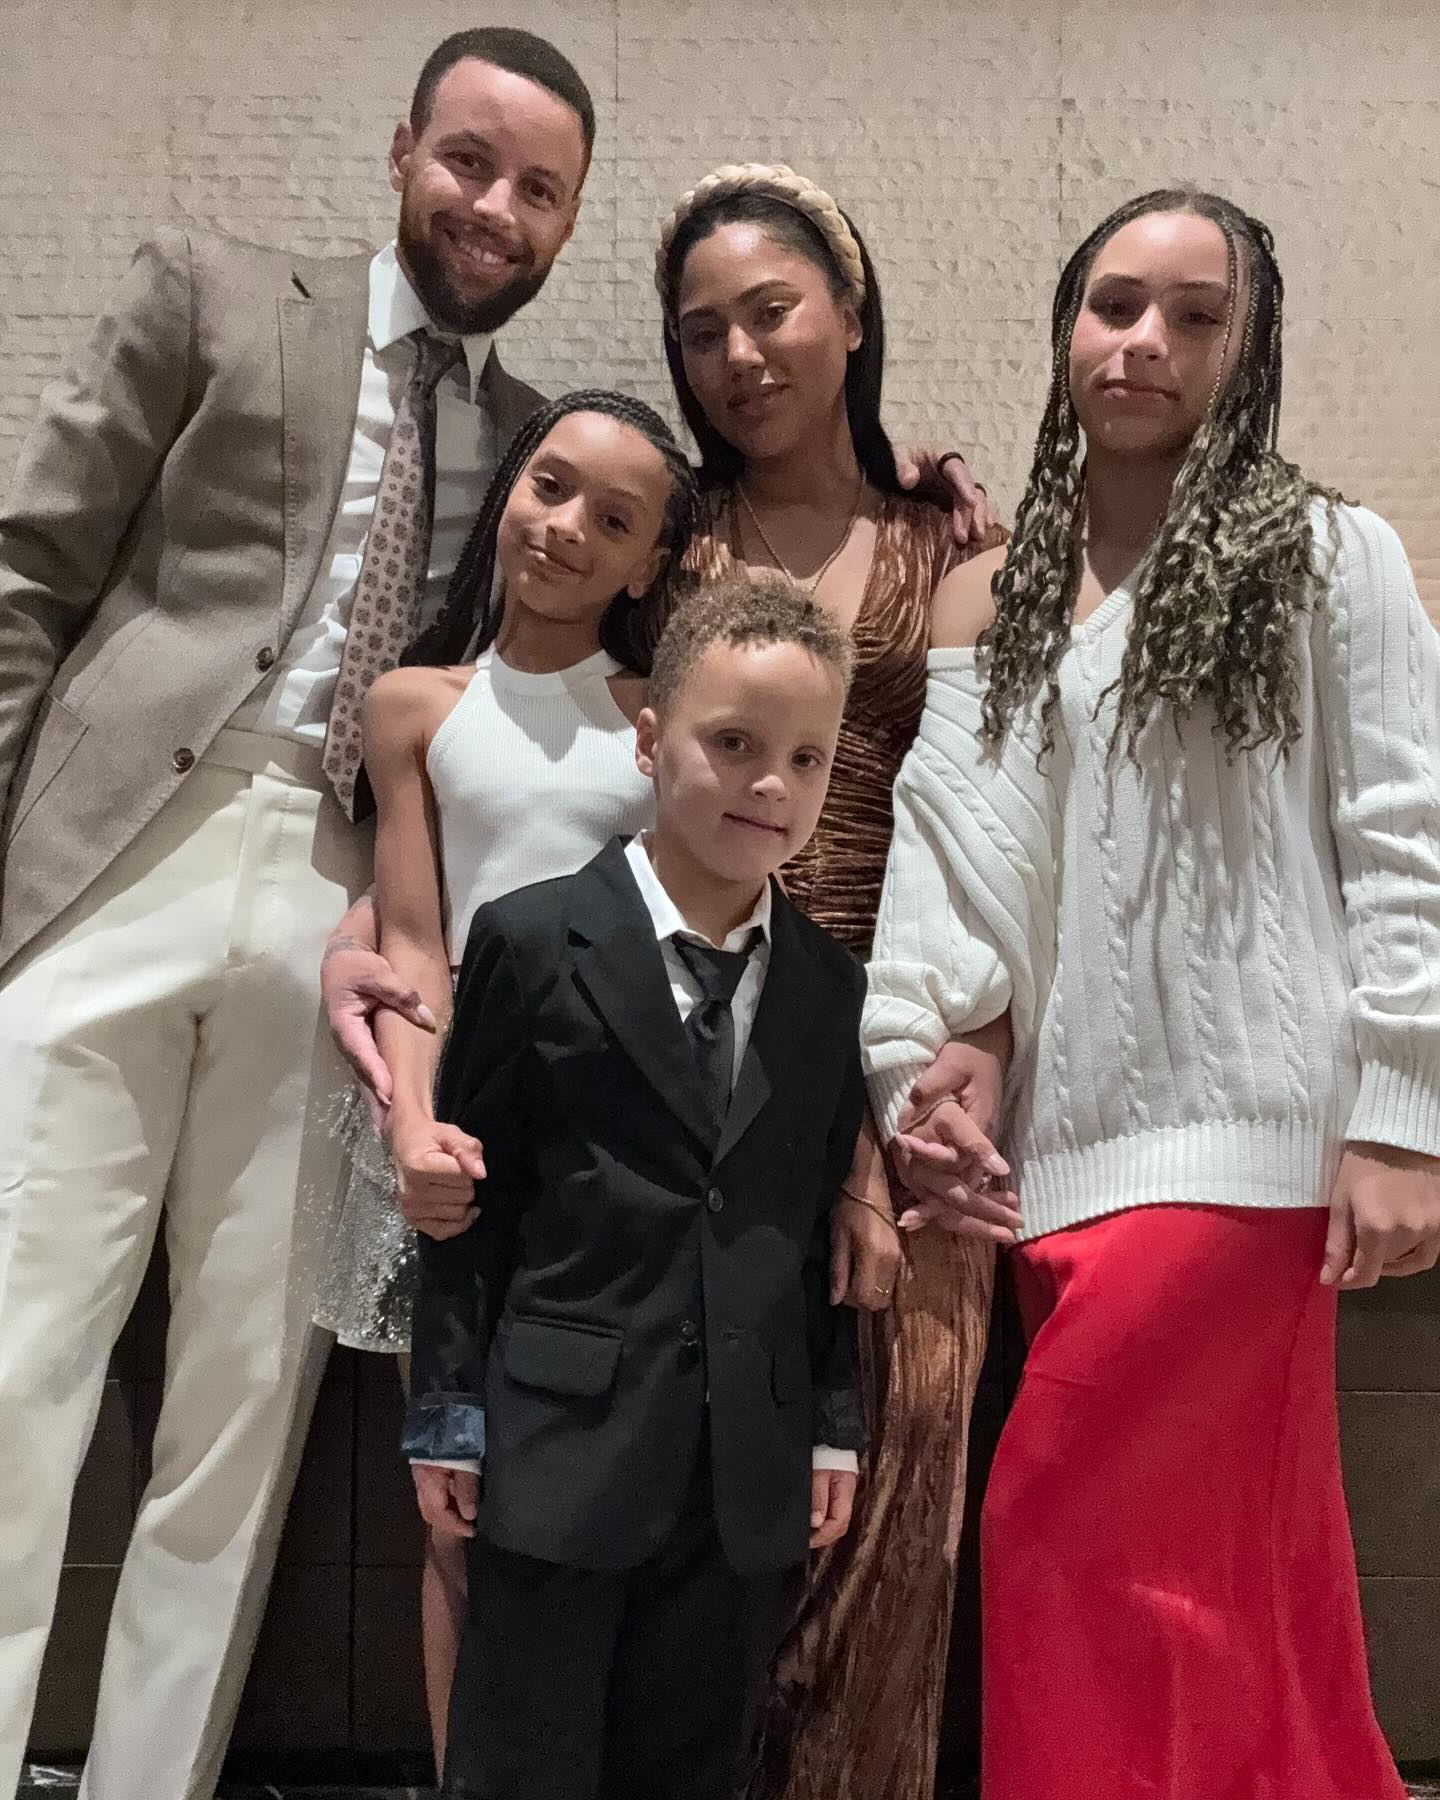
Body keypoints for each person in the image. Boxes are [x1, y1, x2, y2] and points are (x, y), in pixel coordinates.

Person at [0, 26, 594, 1798]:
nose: (493, 207)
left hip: (340, 913)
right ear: (404, 150)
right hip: (117, 856)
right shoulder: (214, 293)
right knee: (17, 1363)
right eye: (469, 160)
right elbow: (31, 572)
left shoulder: (535, 447)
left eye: (539, 189)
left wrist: (905, 475)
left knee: (240, 1410)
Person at [865, 187, 1440, 1800]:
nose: (1146, 341)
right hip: (1059, 1158)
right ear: (1067, 325)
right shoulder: (990, 597)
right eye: (1117, 303)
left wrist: (1404, 1111)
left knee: (1053, 1532)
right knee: (1227, 1597)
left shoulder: (1328, 555)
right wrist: (930, 1063)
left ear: (1250, 354)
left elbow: (1406, 832)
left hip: (1249, 1150)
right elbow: (961, 862)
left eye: (1197, 316)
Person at [653, 163, 1006, 1799]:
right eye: (700, 330)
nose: (738, 355)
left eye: (772, 310)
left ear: (851, 317)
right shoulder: (665, 536)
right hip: (689, 1045)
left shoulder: (956, 548)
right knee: (702, 1491)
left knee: (902, 1468)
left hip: (909, 1033)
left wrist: (962, 1053)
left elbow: (1007, 824)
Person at [404, 577, 867, 1800]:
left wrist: (831, 1421)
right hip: (558, 1444)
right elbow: (474, 1205)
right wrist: (447, 1406)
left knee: (694, 1767)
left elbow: (806, 1223)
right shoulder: (530, 939)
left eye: (807, 758)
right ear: (651, 741)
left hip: (744, 1468)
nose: (772, 784)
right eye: (735, 744)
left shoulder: (828, 986)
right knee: (521, 1765)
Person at [312, 386, 698, 1769]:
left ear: (650, 564)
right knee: (457, 1503)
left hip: (626, 1149)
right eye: (551, 486)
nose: (569, 527)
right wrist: (413, 1127)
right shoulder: (415, 707)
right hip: (468, 1131)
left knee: (610, 1504)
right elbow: (417, 940)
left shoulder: (662, 720)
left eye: (616, 519)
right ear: (510, 490)